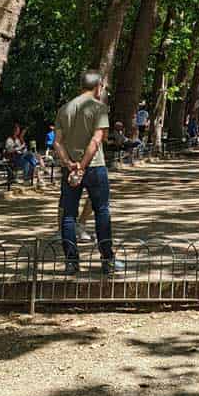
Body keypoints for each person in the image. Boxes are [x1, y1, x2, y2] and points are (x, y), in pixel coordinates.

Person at [54, 70, 121, 276]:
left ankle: (71, 262)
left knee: (68, 215)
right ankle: (107, 259)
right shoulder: (99, 108)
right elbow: (96, 140)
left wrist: (69, 164)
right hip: (94, 167)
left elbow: (58, 142)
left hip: (70, 169)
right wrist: (82, 165)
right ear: (98, 86)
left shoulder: (64, 109)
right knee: (102, 211)